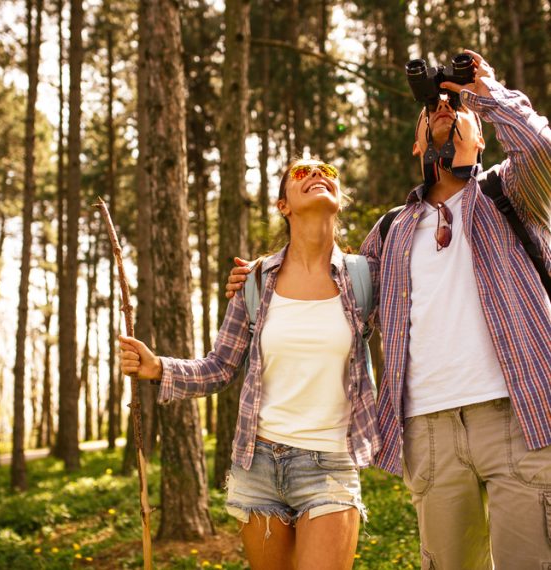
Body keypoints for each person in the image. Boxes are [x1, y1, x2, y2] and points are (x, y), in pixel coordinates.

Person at [226, 50, 551, 570]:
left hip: (518, 416)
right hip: (428, 430)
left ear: (483, 135)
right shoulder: (392, 230)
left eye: (456, 110)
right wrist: (263, 275)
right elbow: (329, 290)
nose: (443, 108)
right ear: (418, 144)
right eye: (433, 109)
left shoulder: (512, 192)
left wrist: (482, 92)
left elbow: (541, 146)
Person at [119, 158, 381, 570]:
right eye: (301, 172)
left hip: (331, 462)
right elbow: (220, 367)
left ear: (339, 198)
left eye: (327, 171)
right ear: (283, 206)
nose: (316, 175)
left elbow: (408, 339)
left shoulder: (365, 277)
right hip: (257, 464)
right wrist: (159, 368)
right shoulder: (257, 281)